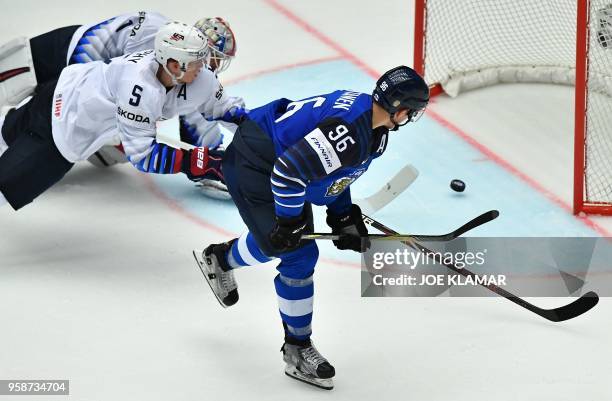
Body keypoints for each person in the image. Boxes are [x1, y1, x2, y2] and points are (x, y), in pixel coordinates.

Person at [194, 66, 429, 389]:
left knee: (280, 241)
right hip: (255, 164)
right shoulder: (352, 132)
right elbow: (288, 173)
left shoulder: (369, 122)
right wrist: (291, 222)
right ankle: (297, 349)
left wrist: (343, 216)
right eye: (412, 112)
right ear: (401, 109)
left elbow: (332, 171)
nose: (410, 117)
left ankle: (220, 258)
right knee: (297, 254)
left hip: (273, 156)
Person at [0, 21, 245, 211]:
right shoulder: (138, 87)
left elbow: (228, 110)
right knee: (7, 186)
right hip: (61, 131)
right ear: (173, 65)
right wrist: (197, 162)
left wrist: (264, 132)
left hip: (65, 87)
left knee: (7, 131)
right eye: (196, 61)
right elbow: (143, 155)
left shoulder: (199, 77)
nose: (203, 67)